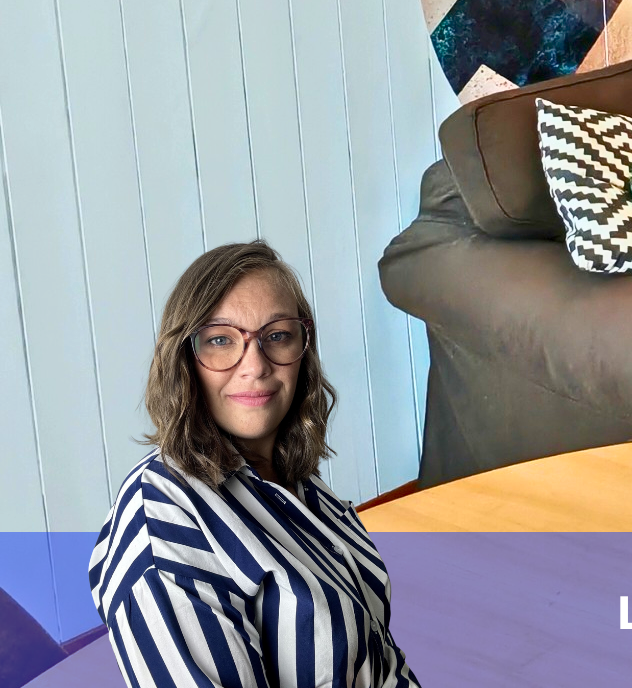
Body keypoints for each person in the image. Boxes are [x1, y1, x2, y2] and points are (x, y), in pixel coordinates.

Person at [88, 241, 420, 687]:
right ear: (184, 358)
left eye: (277, 335)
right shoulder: (164, 522)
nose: (255, 365)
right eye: (221, 340)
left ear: (303, 349)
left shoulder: (301, 486)